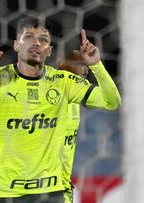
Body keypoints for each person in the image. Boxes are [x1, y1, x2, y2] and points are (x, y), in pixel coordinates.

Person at [0, 17, 121, 202]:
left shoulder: (63, 81)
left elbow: (111, 102)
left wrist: (96, 66)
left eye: (43, 39)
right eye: (29, 37)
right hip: (6, 192)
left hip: (51, 192)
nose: (36, 42)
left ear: (49, 50)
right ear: (16, 45)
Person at [57, 50, 95, 203]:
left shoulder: (76, 100)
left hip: (63, 184)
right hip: (42, 184)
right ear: (63, 66)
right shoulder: (50, 94)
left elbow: (112, 100)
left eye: (86, 66)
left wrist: (97, 65)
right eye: (79, 65)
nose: (85, 69)